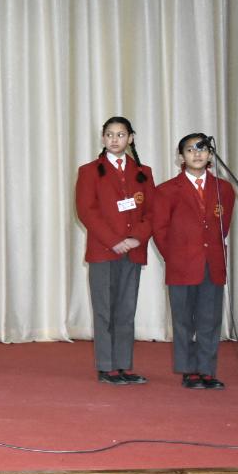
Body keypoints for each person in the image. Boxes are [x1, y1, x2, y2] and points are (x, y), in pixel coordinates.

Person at [151, 133, 237, 390]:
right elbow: (160, 230)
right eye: (190, 150)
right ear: (181, 156)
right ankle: (189, 370)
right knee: (183, 320)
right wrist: (175, 257)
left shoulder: (224, 189)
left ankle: (207, 370)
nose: (197, 154)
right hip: (181, 265)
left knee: (210, 319)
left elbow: (223, 226)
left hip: (212, 263)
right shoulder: (166, 190)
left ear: (210, 154)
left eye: (202, 149)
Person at [74, 116, 156, 385]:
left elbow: (152, 212)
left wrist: (136, 238)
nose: (114, 139)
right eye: (109, 134)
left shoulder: (143, 172)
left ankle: (124, 365)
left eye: (121, 135)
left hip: (133, 250)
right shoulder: (89, 171)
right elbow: (86, 211)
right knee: (104, 309)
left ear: (130, 138)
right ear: (103, 138)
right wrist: (113, 240)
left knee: (126, 309)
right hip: (103, 251)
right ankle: (107, 366)